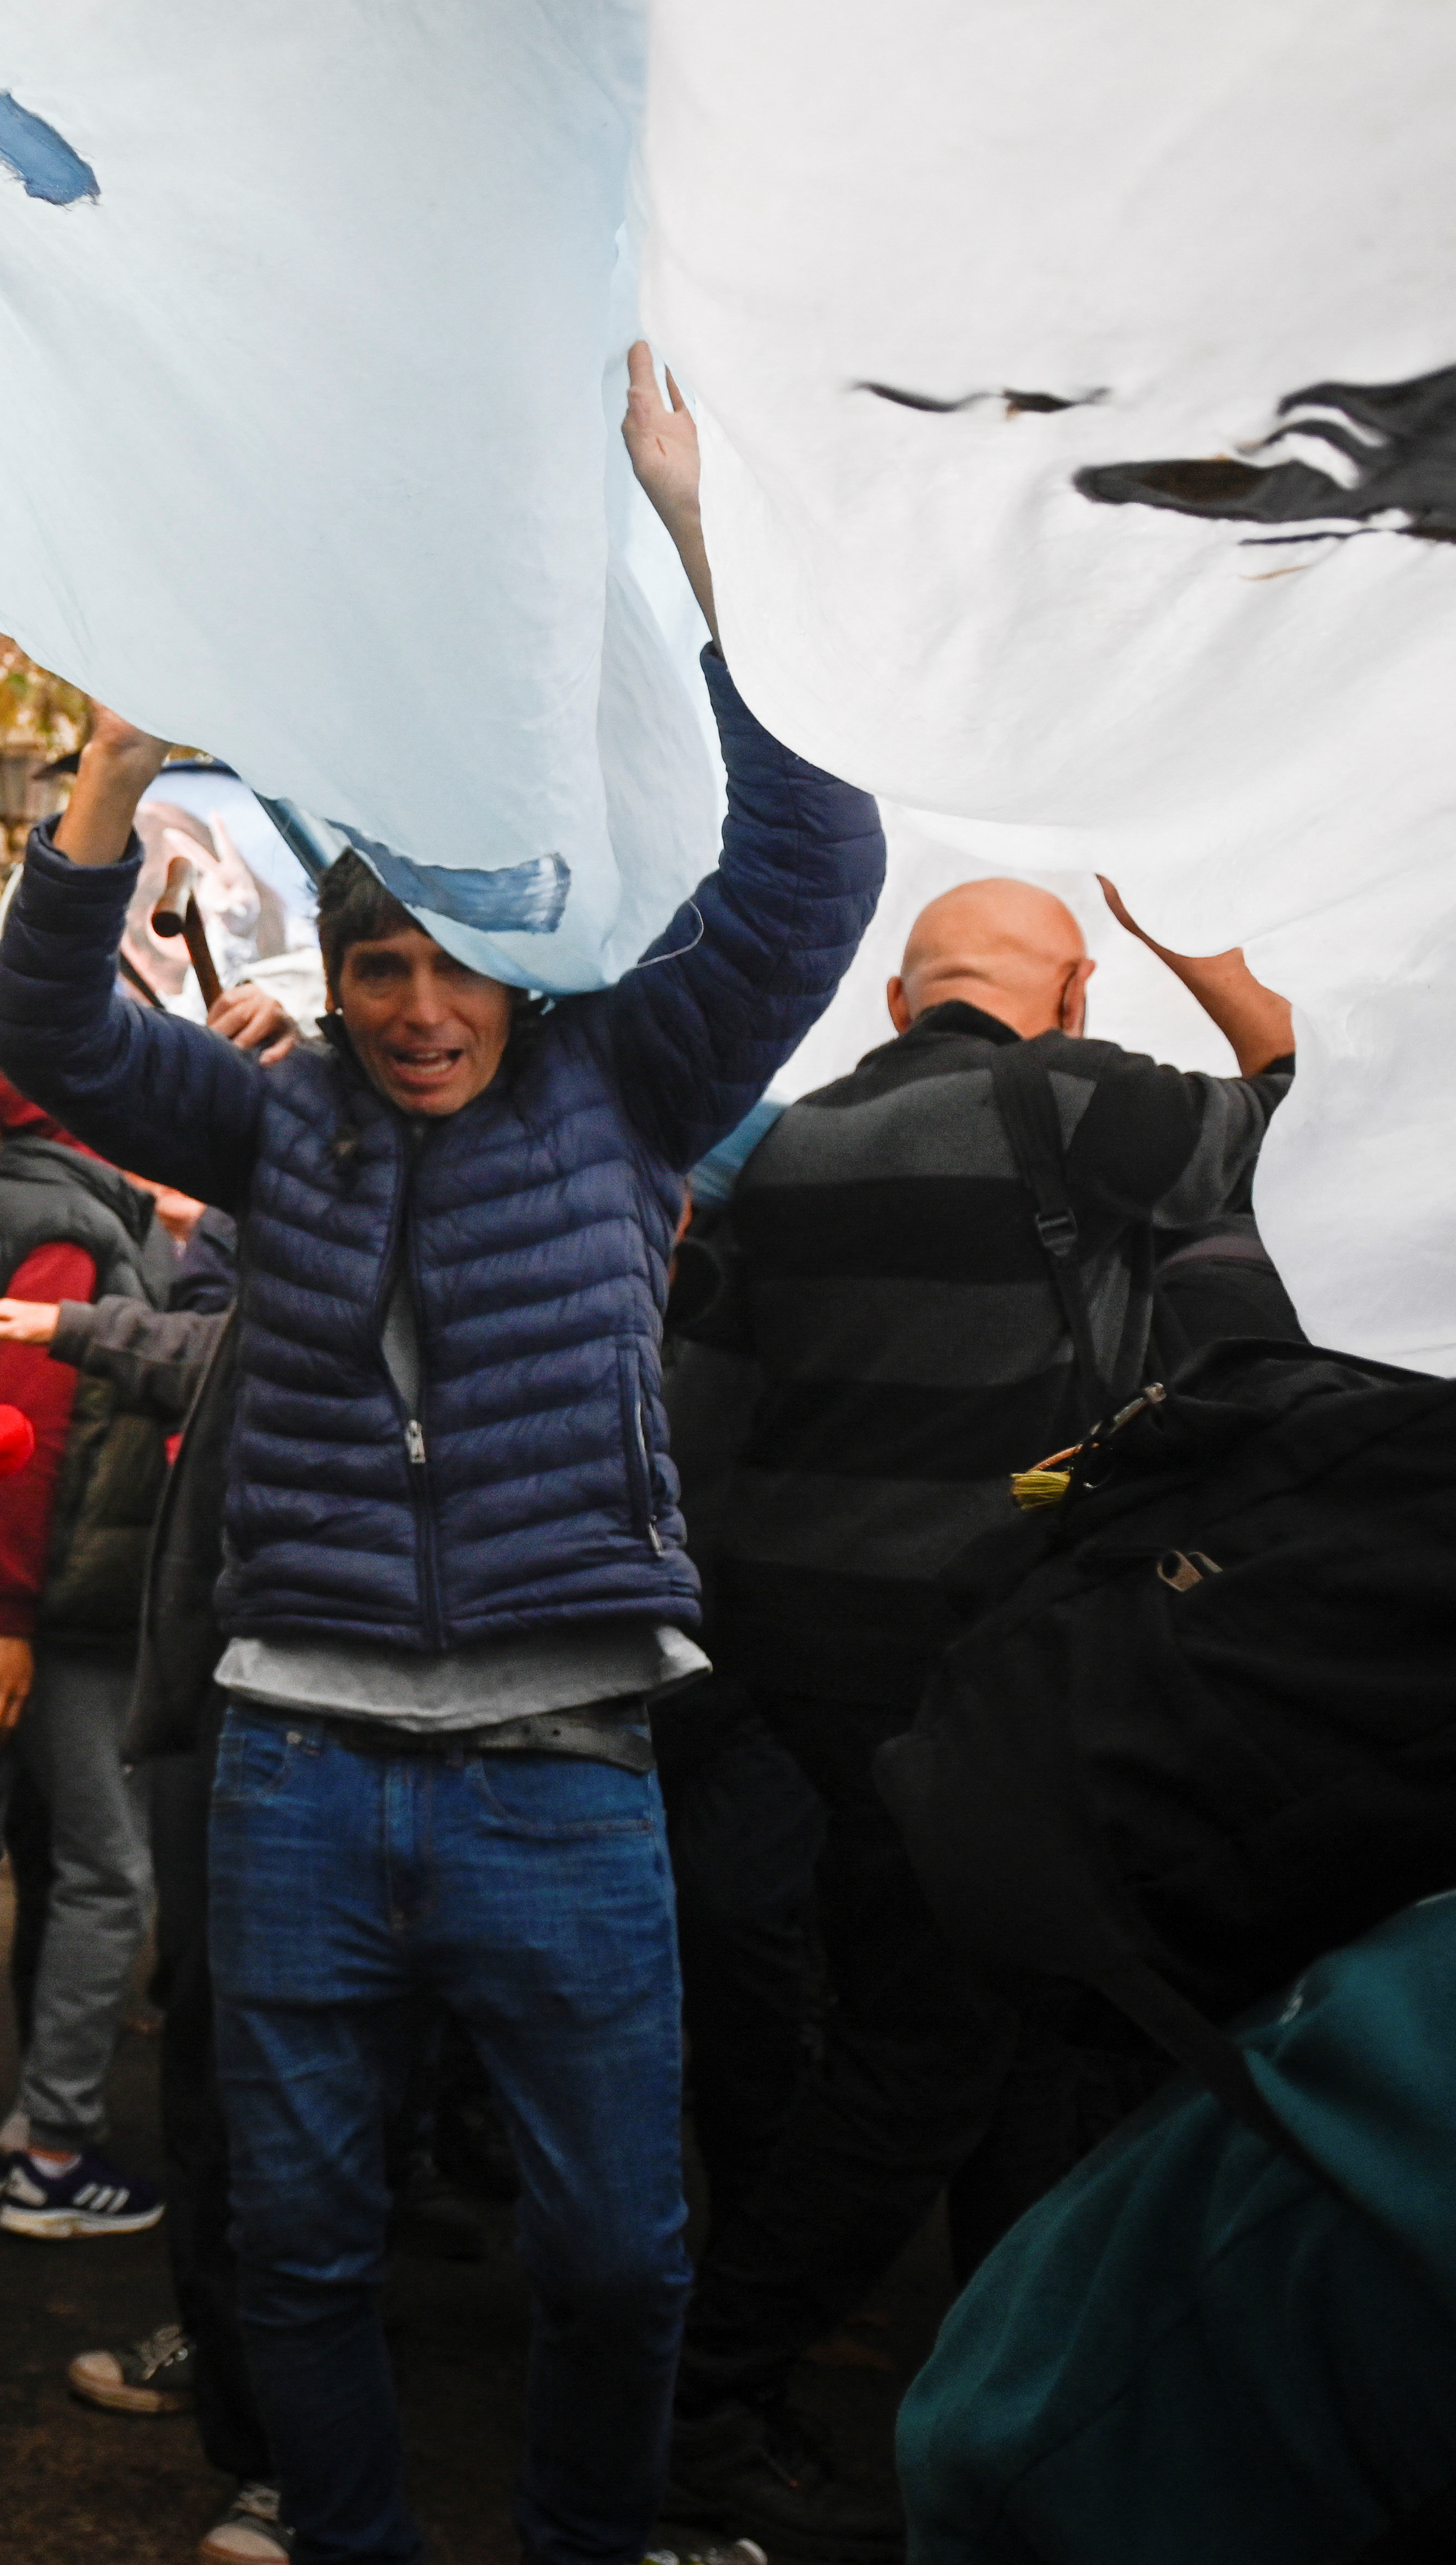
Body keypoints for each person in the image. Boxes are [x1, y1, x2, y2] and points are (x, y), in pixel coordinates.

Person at [0, 343, 883, 2565]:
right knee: (292, 2241)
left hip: (564, 1770)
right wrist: (112, 764)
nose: (408, 1008)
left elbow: (811, 859)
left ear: (528, 972)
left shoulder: (632, 1083)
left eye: (452, 967)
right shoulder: (275, 1119)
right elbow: (51, 1031)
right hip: (300, 1763)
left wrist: (697, 531)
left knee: (615, 2251)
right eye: (376, 961)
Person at [658, 871, 1294, 2560]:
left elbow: (699, 1419)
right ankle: (698, 2399)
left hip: (788, 1656)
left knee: (978, 2008)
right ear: (1069, 994)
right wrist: (1206, 961)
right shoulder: (1076, 1099)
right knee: (932, 2043)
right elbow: (1311, 1111)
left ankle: (986, 2380)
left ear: (895, 1004)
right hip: (972, 1656)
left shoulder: (786, 1148)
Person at [0, 1068, 173, 2241]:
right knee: (109, 1869)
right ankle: (57, 2154)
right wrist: (14, 1618)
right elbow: (30, 1428)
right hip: (43, 1615)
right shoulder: (70, 1228)